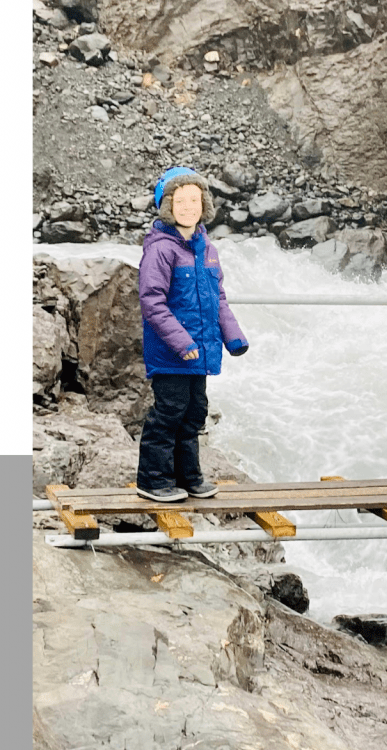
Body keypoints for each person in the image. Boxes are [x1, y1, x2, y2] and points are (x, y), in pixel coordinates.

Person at [135, 166, 249, 502]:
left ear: (205, 204)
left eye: (195, 200)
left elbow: (218, 299)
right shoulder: (160, 249)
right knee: (168, 413)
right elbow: (152, 302)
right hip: (171, 353)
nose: (188, 207)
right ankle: (152, 481)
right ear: (168, 205)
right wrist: (182, 342)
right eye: (180, 200)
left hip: (200, 352)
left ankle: (189, 478)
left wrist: (233, 337)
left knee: (194, 413)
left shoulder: (207, 248)